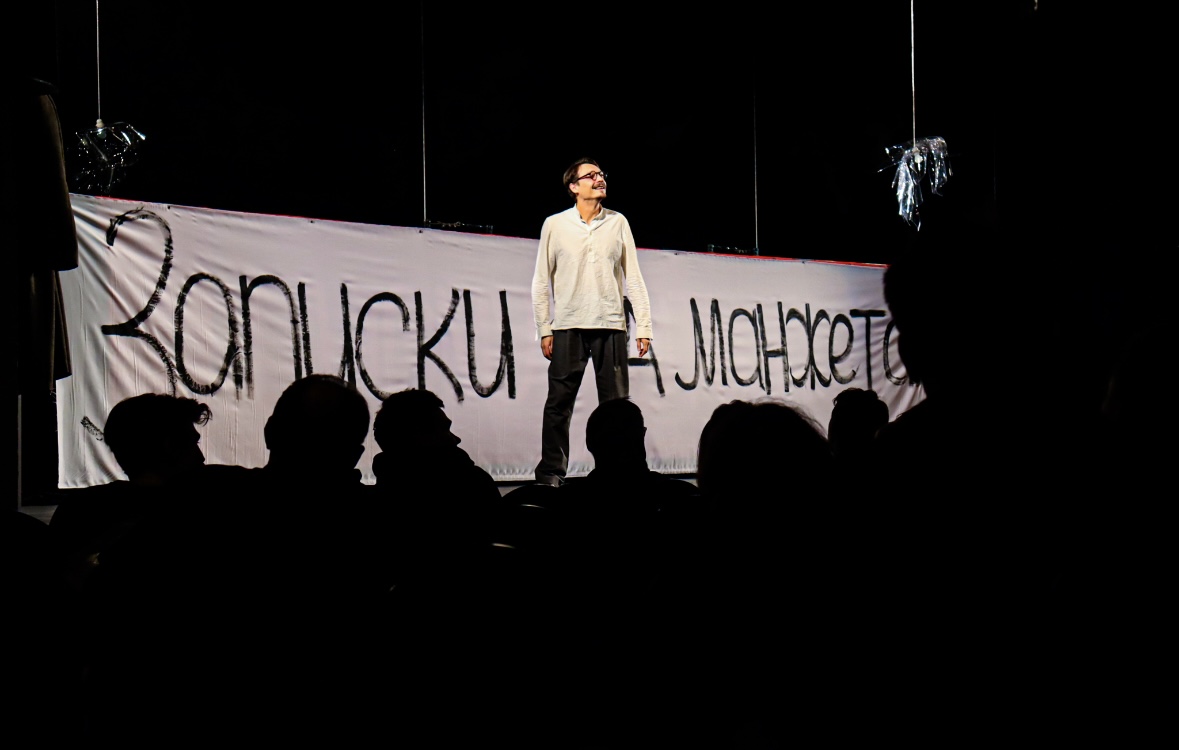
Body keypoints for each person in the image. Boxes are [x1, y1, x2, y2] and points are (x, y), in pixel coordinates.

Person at [531, 157, 653, 486]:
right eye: (591, 175)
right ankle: (551, 474)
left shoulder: (617, 222)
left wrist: (644, 326)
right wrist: (544, 327)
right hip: (568, 325)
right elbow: (541, 280)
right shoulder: (555, 224)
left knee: (617, 408)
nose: (600, 179)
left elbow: (634, 277)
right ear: (574, 186)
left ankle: (620, 473)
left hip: (610, 325)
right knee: (558, 404)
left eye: (601, 174)